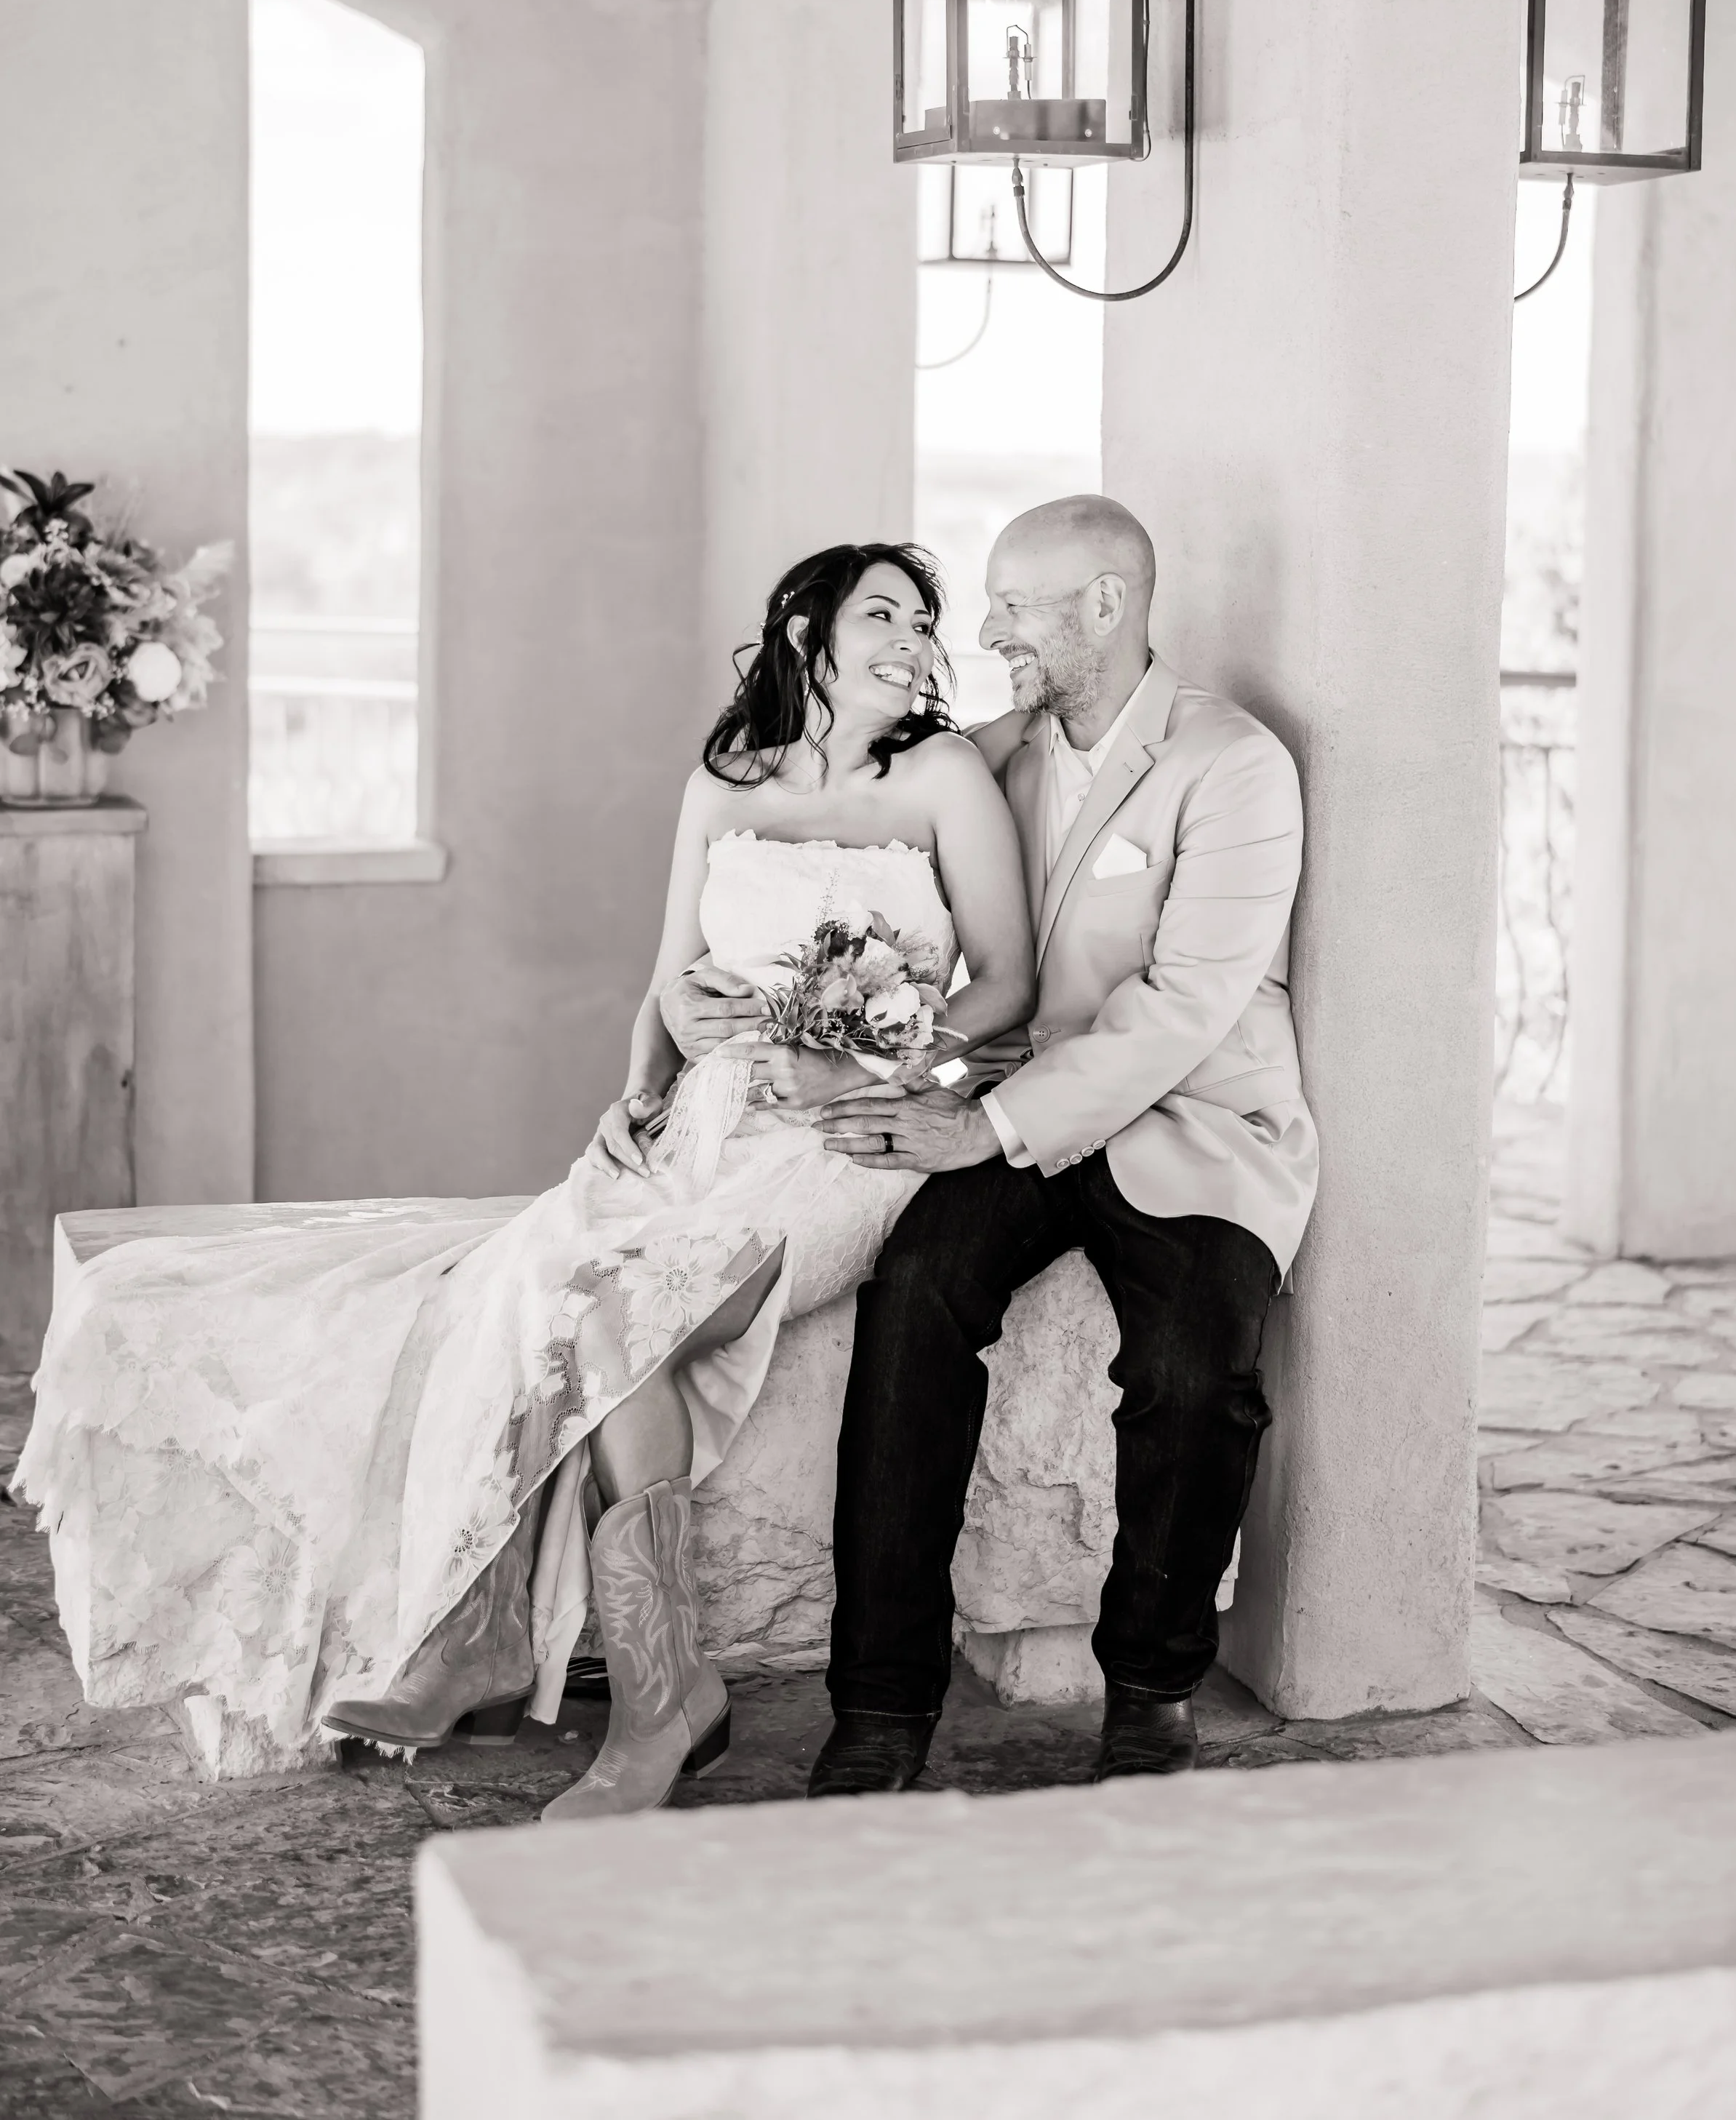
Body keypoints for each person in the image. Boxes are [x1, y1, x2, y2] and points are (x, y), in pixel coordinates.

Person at [12, 542, 1033, 1818]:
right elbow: (667, 979)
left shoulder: (942, 775)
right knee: (538, 1279)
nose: (912, 631)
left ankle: (654, 1702)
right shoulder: (726, 780)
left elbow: (1005, 983)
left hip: (845, 1146)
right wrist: (640, 1094)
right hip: (702, 1129)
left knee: (612, 1307)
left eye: (924, 617)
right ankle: (497, 1634)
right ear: (804, 628)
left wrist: (884, 1066)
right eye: (881, 608)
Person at [798, 495, 1318, 1791]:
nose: (984, 631)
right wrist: (728, 975)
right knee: (911, 1297)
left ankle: (1151, 1687)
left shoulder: (1236, 762)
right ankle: (877, 1704)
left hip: (1191, 1119)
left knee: (1200, 1368)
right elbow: (852, 843)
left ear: (1107, 603)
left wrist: (984, 1126)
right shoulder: (993, 758)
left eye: (1013, 605)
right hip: (1024, 1107)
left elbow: (1186, 1008)